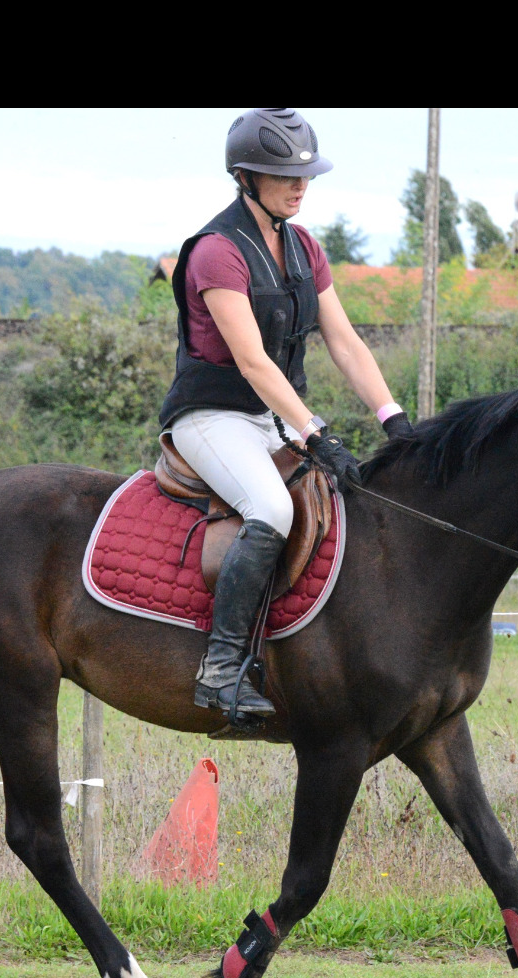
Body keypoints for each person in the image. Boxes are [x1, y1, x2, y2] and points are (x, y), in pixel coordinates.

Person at [160, 107, 414, 722]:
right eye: (283, 176)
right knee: (271, 508)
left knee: (343, 501)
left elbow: (346, 343)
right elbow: (252, 362)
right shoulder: (218, 253)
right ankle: (221, 672)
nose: (300, 186)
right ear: (245, 178)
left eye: (306, 176)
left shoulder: (304, 248)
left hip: (272, 417)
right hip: (211, 417)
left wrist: (393, 417)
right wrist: (314, 431)